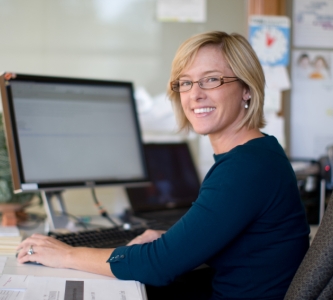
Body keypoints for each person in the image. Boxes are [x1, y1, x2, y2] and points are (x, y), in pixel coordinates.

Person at [17, 31, 309, 300]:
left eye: (211, 79)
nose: (195, 94)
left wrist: (67, 254)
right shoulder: (259, 154)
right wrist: (171, 240)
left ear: (247, 88)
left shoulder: (246, 168)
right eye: (186, 82)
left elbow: (160, 264)